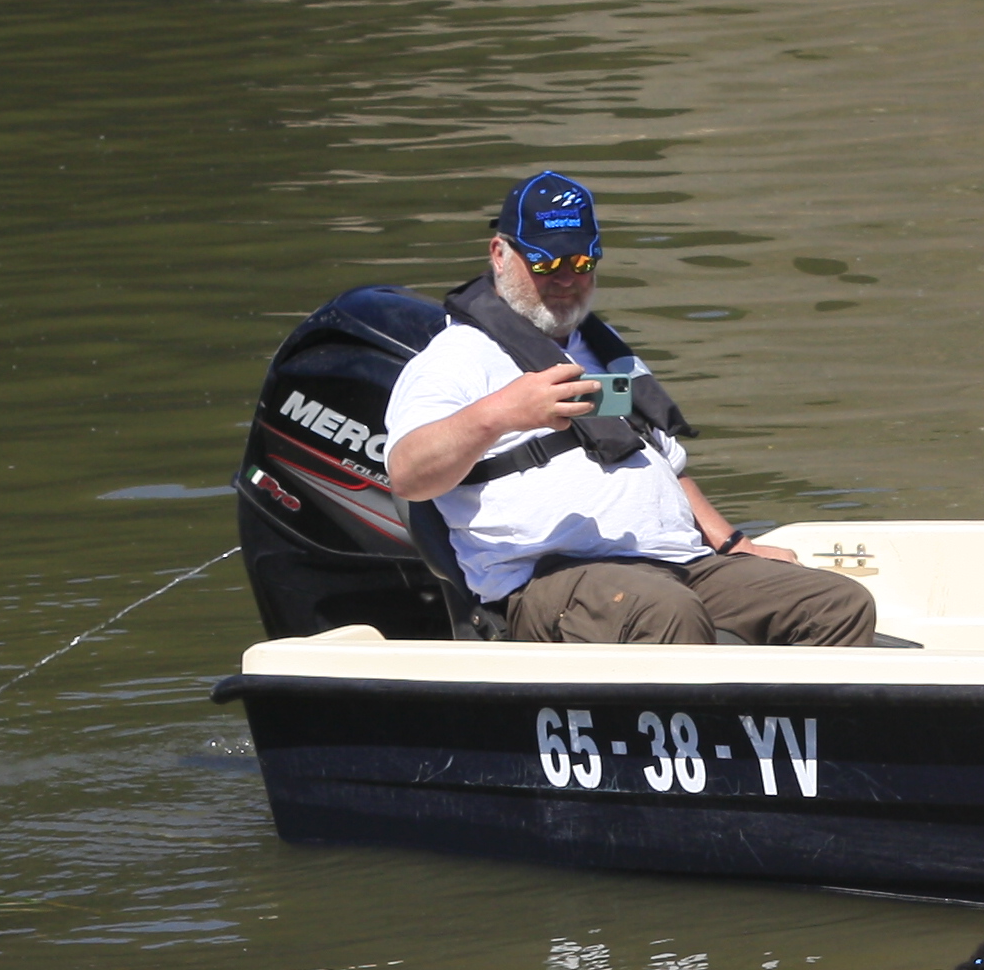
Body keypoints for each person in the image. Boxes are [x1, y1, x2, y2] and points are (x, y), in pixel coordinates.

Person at [377, 170, 880, 646]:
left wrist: (732, 544)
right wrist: (502, 413)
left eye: (581, 263)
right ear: (500, 255)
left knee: (838, 603)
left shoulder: (600, 344)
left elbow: (661, 457)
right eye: (546, 263)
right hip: (547, 580)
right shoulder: (457, 357)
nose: (566, 280)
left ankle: (797, 733)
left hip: (674, 562)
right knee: (663, 611)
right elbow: (408, 474)